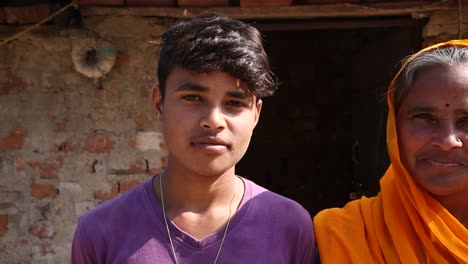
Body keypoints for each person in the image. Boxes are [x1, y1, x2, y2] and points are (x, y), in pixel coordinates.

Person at [71, 12, 315, 264]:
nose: (214, 120)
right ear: (159, 104)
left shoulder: (290, 226)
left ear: (256, 114)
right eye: (193, 98)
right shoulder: (100, 233)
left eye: (234, 103)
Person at [314, 39, 468, 263]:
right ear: (394, 125)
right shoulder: (343, 236)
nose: (447, 141)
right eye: (424, 117)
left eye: (467, 120)